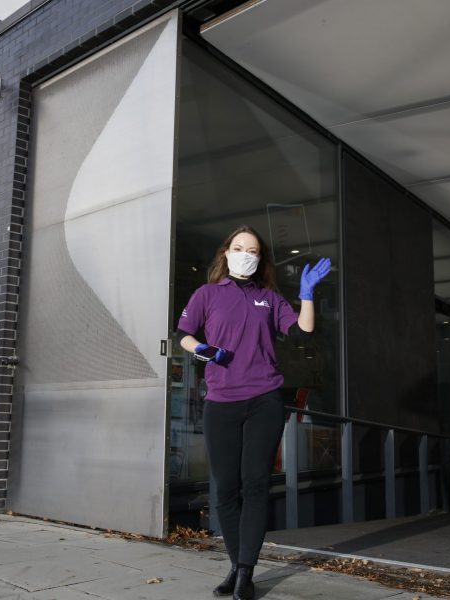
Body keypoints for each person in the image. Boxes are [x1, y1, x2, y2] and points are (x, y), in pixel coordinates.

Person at [177, 225, 331, 600]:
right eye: (239, 247)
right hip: (221, 401)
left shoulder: (269, 298)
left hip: (264, 398)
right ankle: (236, 564)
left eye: (254, 250)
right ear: (226, 252)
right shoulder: (207, 293)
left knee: (255, 484)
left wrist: (307, 295)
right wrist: (204, 350)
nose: (246, 254)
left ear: (260, 259)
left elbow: (302, 332)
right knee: (226, 489)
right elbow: (183, 333)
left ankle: (246, 572)